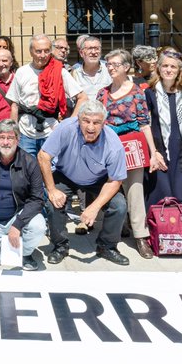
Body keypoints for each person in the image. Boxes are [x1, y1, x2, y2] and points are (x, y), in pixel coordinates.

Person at [38, 100, 130, 266]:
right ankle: (60, 246)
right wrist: (51, 190)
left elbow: (116, 179)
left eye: (96, 122)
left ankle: (107, 246)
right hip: (65, 174)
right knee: (52, 203)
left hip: (98, 179)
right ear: (78, 120)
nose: (90, 127)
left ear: (104, 123)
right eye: (86, 121)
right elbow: (43, 156)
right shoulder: (66, 127)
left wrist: (93, 207)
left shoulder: (113, 144)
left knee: (119, 205)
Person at [99, 49, 154, 259]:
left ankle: (141, 236)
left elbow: (144, 124)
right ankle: (119, 227)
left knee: (135, 190)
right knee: (113, 189)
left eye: (115, 64)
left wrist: (153, 151)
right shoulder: (102, 93)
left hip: (132, 143)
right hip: (109, 146)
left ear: (126, 67)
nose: (110, 67)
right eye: (108, 64)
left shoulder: (136, 92)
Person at [0, 119, 46, 271]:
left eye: (10, 138)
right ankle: (6, 246)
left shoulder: (29, 162)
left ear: (18, 139)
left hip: (17, 216)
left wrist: (17, 224)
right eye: (2, 137)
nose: (5, 142)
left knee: (39, 225)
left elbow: (37, 198)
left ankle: (24, 254)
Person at [8, 34, 84, 157]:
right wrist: (14, 133)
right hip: (25, 134)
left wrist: (68, 124)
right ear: (31, 52)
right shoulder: (22, 72)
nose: (43, 55)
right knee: (27, 172)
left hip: (51, 134)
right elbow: (14, 105)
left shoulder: (60, 72)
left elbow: (82, 98)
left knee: (51, 173)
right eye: (38, 51)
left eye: (46, 51)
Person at [144, 47, 182, 206]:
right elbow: (146, 123)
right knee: (161, 194)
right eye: (165, 66)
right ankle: (160, 229)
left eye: (173, 66)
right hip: (160, 151)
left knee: (179, 193)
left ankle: (177, 229)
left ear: (179, 70)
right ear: (159, 68)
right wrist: (153, 152)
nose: (168, 70)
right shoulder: (150, 92)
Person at [70, 34, 109, 100]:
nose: (93, 52)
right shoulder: (75, 74)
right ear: (81, 53)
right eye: (90, 48)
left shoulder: (109, 70)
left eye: (96, 48)